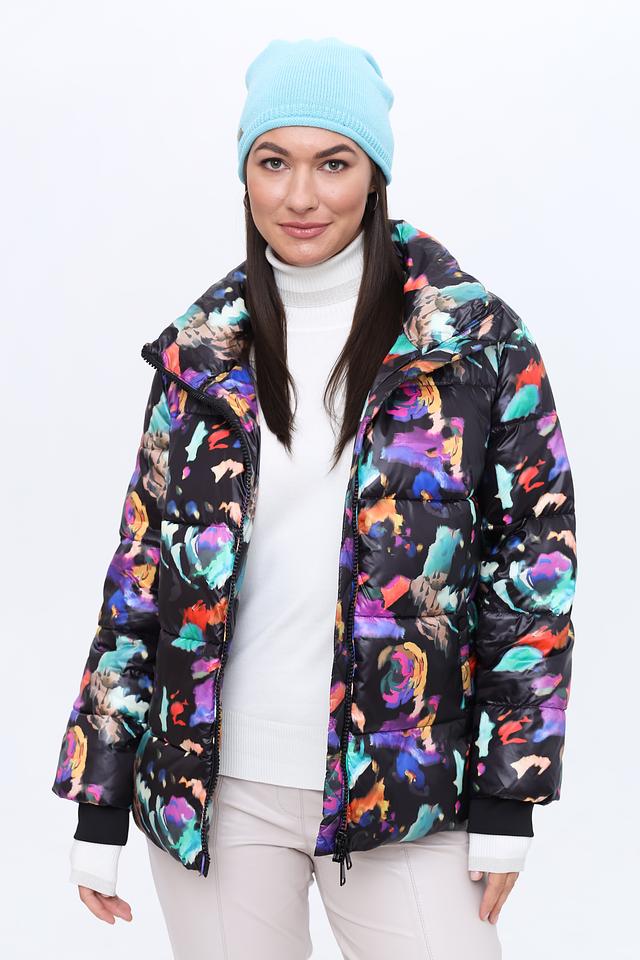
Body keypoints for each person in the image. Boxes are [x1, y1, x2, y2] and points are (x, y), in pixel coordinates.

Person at [51, 36, 577, 959]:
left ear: (375, 175)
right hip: (213, 791)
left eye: (333, 163)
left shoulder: (474, 343)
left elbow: (533, 573)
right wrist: (100, 798)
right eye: (273, 162)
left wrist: (510, 794)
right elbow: (140, 576)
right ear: (244, 173)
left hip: (406, 783)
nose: (301, 196)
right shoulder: (201, 354)